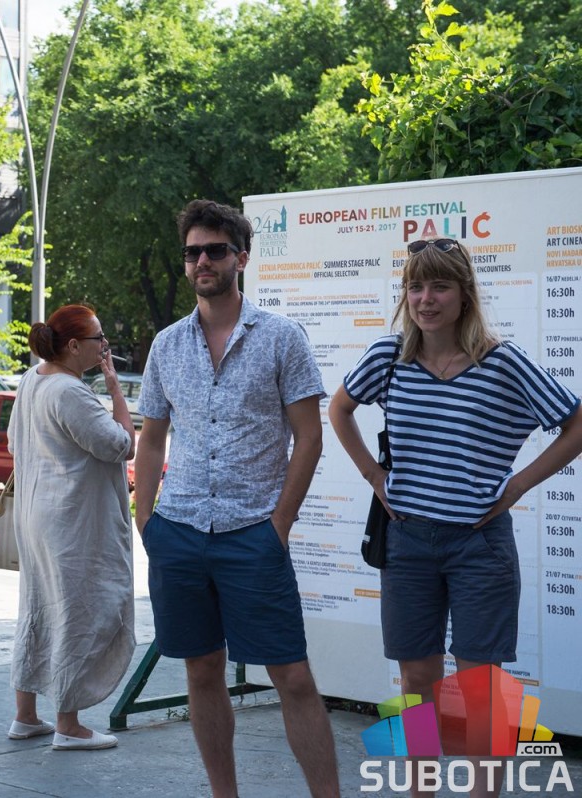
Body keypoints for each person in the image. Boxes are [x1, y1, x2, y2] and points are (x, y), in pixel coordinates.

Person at [328, 237, 582, 798]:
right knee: (416, 680)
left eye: (439, 286)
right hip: (407, 541)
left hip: (479, 546)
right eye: (415, 286)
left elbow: (576, 423)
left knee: (480, 687)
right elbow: (339, 409)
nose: (426, 298)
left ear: (465, 294)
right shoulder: (389, 358)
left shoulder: (503, 361)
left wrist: (517, 486)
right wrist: (373, 475)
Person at [134, 199, 340, 798]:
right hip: (178, 531)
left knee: (292, 677)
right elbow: (152, 439)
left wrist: (280, 524)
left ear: (241, 258)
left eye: (215, 250)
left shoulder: (281, 337)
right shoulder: (167, 345)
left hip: (253, 534)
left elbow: (309, 436)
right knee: (201, 671)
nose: (202, 261)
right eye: (192, 252)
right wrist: (147, 522)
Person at [6, 304, 136, 751]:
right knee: (79, 612)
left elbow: (14, 441)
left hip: (36, 516)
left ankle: (26, 715)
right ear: (75, 345)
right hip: (72, 522)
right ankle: (69, 723)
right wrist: (116, 390)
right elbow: (121, 445)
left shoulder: (32, 379)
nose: (105, 347)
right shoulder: (69, 392)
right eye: (99, 339)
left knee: (38, 608)